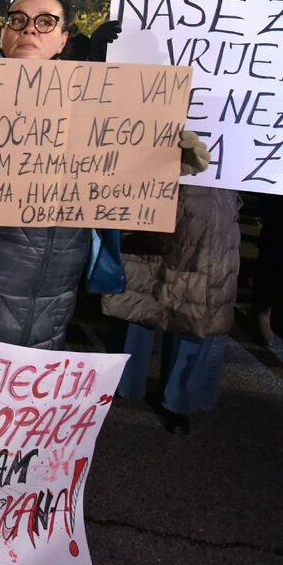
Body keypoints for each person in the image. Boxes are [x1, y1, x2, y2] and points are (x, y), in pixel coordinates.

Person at [0, 0, 209, 349]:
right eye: (17, 20)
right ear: (4, 35)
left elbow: (113, 194)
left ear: (62, 38)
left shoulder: (98, 107)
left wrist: (162, 165)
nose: (29, 29)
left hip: (50, 300)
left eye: (45, 22)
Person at [103, 186, 243, 434]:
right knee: (139, 285)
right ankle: (125, 382)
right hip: (152, 183)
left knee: (198, 300)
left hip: (209, 197)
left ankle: (179, 400)